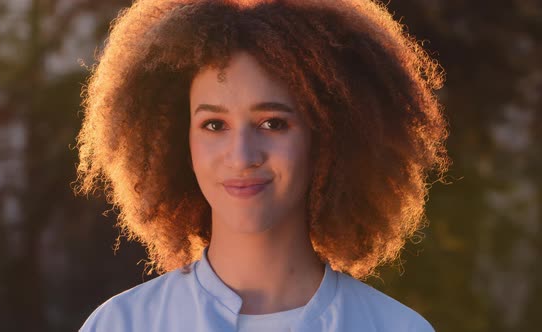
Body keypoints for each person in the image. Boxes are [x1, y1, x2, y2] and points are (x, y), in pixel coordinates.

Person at [75, 0, 450, 331]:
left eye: (273, 123)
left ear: (328, 138)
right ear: (175, 140)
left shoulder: (395, 328)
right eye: (214, 125)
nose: (241, 156)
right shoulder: (121, 325)